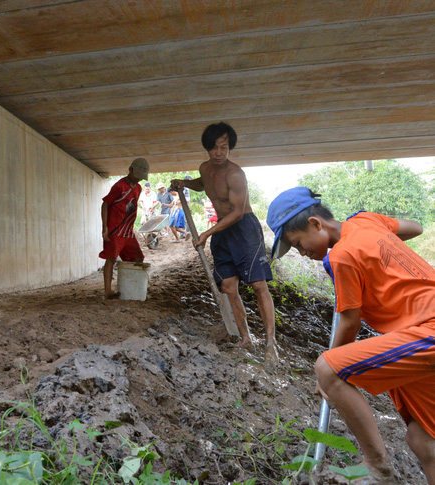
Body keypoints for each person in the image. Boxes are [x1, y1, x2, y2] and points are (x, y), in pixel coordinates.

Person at [267, 187, 434, 484]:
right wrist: (379, 250)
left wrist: (329, 375)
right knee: (423, 441)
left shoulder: (343, 256)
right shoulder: (367, 222)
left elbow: (350, 323)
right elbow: (416, 227)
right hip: (417, 337)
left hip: (427, 331)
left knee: (328, 367)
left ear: (316, 224)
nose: (303, 254)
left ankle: (378, 466)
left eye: (298, 244)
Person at [171, 122, 277, 363]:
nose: (219, 153)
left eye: (224, 148)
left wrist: (207, 233)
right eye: (214, 148)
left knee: (258, 284)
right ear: (207, 149)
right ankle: (246, 339)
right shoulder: (206, 168)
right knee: (228, 286)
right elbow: (204, 184)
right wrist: (184, 183)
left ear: (230, 148)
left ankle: (271, 343)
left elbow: (237, 212)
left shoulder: (236, 174)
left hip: (244, 228)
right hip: (223, 230)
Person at [100, 158, 149, 299]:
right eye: (137, 174)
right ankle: (108, 292)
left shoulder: (138, 188)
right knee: (111, 258)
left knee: (138, 258)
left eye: (141, 177)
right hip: (115, 231)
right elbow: (105, 204)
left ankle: (129, 287)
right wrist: (105, 227)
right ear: (130, 170)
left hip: (127, 232)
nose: (139, 179)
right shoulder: (119, 186)